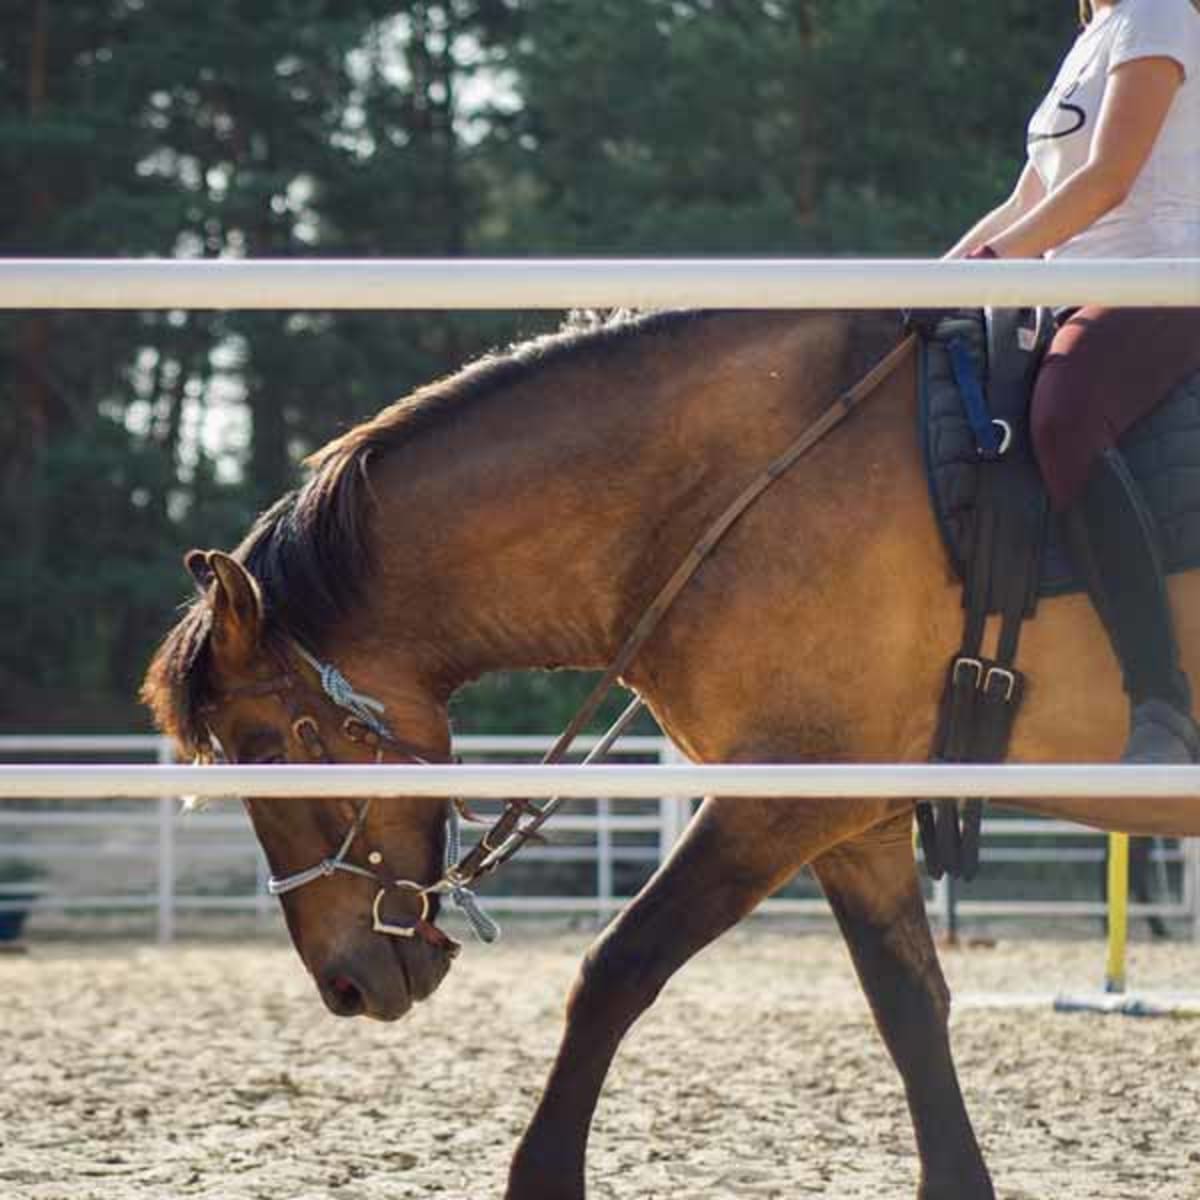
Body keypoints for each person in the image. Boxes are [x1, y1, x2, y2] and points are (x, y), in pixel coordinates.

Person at [946, 0, 1200, 764]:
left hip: (1163, 281)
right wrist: (931, 280)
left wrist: (991, 269)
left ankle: (1162, 702)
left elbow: (1108, 180)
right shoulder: (1093, 38)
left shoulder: (1159, 15)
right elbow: (1027, 200)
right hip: (1073, 290)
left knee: (1062, 415)